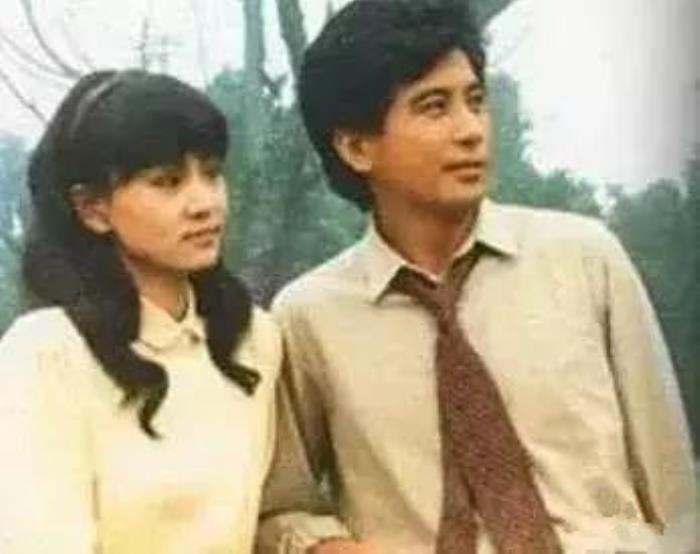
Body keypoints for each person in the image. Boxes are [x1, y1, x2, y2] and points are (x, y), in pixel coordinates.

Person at [255, 1, 697, 553]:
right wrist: (324, 547)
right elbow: (278, 508)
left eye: (476, 100)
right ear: (357, 147)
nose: (471, 130)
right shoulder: (309, 317)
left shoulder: (584, 258)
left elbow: (672, 484)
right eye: (433, 107)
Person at [0, 69, 281, 554]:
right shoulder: (47, 353)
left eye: (212, 173)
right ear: (93, 208)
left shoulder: (255, 339)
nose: (205, 203)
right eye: (167, 182)